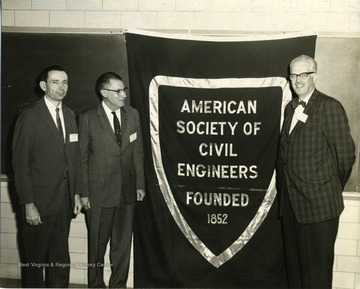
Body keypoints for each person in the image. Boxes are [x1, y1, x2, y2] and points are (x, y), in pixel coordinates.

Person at [276, 55, 356, 288]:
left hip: (318, 208)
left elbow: (345, 158)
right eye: (293, 75)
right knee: (295, 276)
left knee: (316, 279)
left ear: (315, 77)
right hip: (290, 206)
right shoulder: (290, 109)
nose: (298, 80)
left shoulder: (329, 107)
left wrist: (326, 189)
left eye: (304, 74)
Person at [12, 65, 82, 287]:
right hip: (39, 204)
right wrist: (28, 203)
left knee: (60, 259)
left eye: (65, 82)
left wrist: (77, 194)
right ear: (43, 86)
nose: (61, 87)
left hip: (64, 201)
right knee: (34, 262)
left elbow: (73, 159)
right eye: (55, 82)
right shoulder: (29, 116)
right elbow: (21, 165)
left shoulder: (70, 115)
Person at [78, 72, 145, 288]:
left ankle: (118, 285)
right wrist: (84, 192)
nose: (123, 95)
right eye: (118, 91)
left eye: (124, 90)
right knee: (97, 246)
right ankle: (96, 285)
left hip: (126, 193)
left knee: (122, 246)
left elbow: (138, 152)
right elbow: (82, 159)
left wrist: (140, 185)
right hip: (98, 194)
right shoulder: (87, 118)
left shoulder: (132, 115)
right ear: (104, 93)